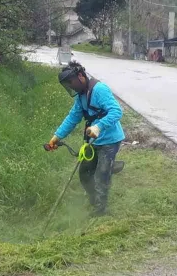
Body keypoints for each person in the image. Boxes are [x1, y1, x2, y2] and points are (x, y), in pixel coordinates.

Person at [48, 62, 125, 217]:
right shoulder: (81, 96)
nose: (71, 86)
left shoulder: (99, 89)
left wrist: (98, 127)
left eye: (71, 82)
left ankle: (100, 210)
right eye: (68, 84)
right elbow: (73, 117)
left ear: (81, 76)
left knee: (101, 175)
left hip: (110, 140)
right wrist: (57, 137)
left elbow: (116, 111)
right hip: (93, 142)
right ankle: (94, 198)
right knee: (84, 174)